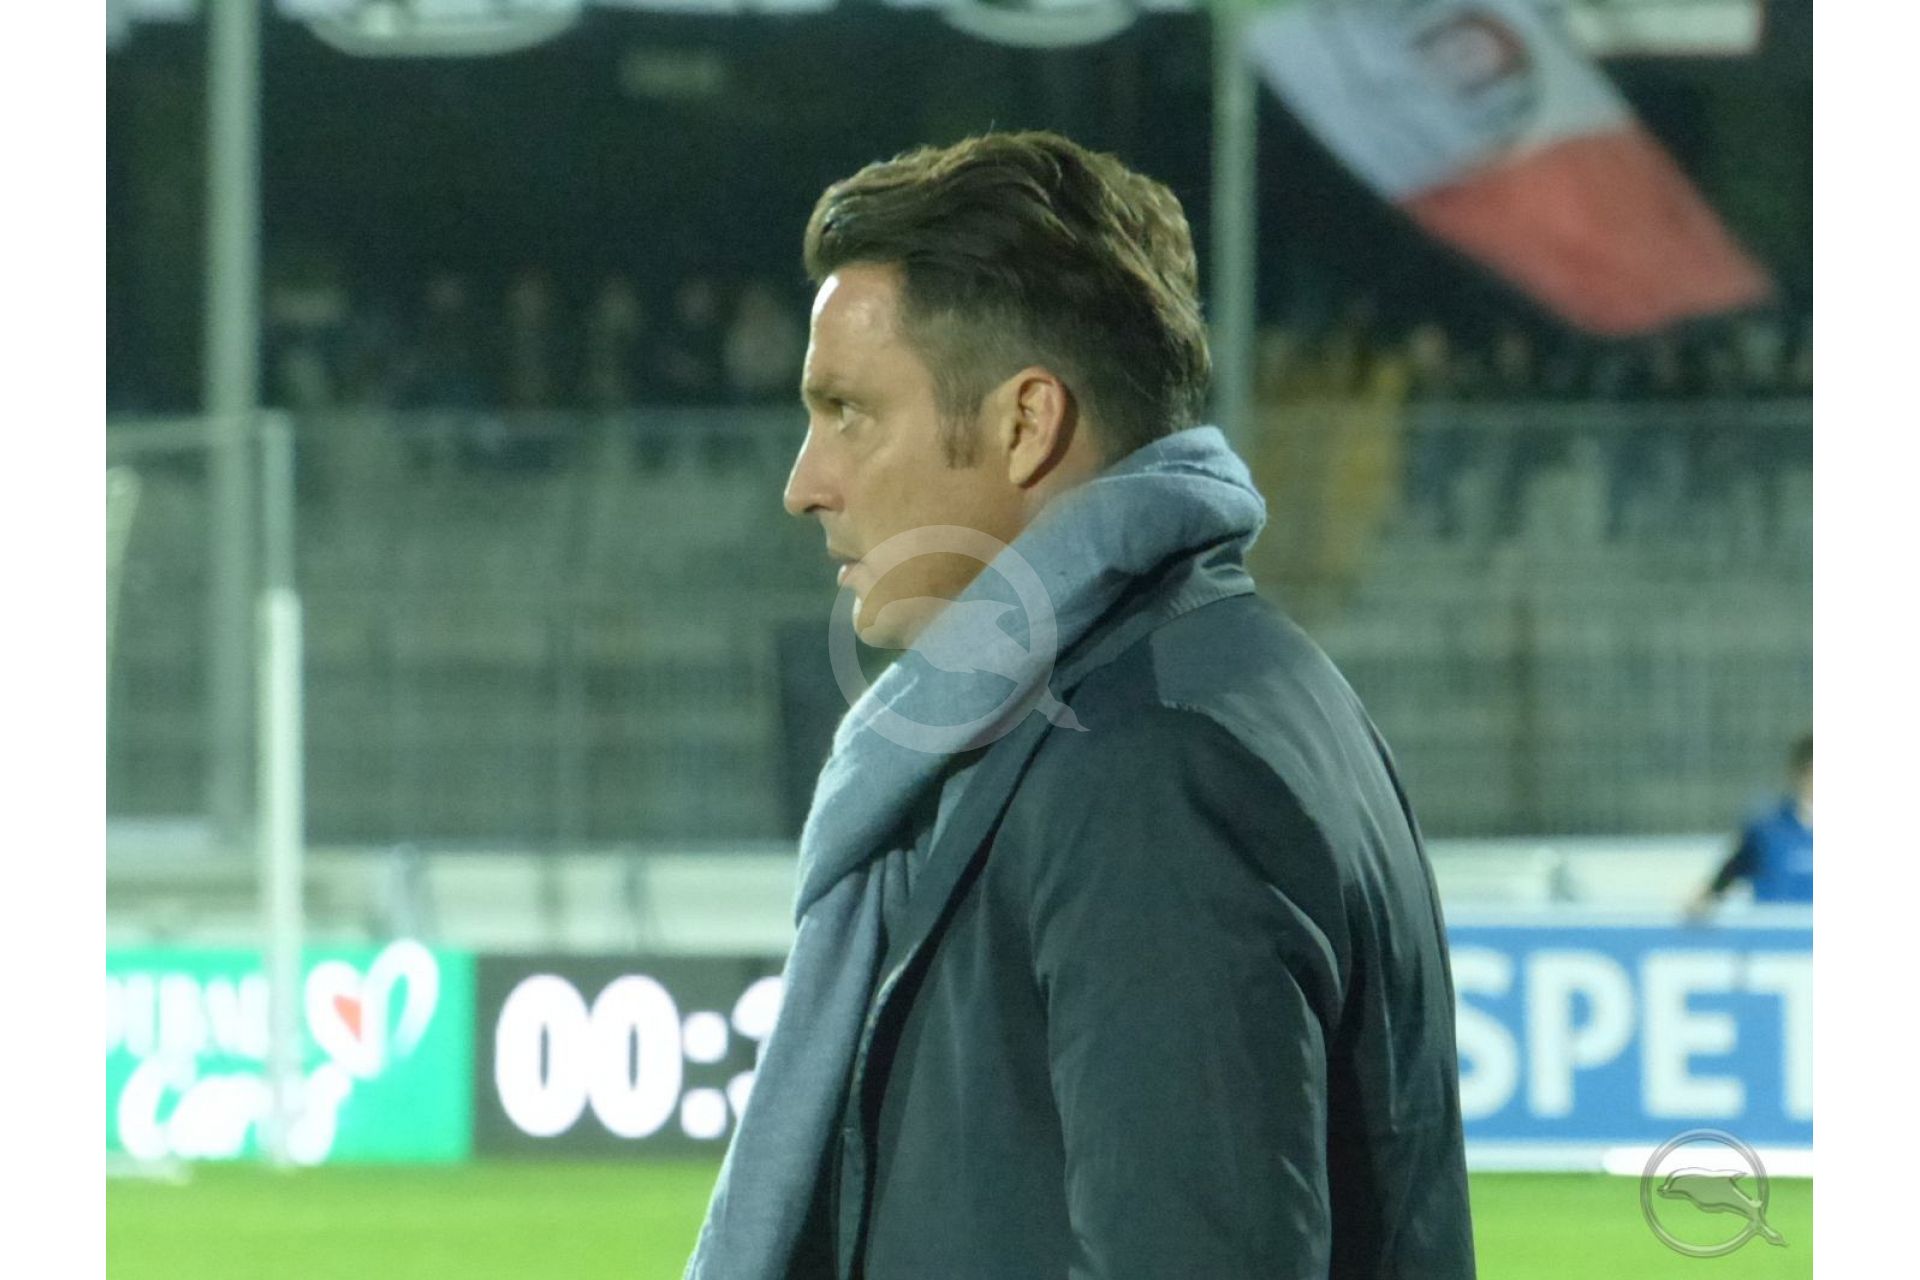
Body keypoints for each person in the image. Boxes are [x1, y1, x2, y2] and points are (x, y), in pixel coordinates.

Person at [686, 132, 1475, 1280]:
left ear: (1025, 423)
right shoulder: (1208, 683)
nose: (804, 483)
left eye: (848, 410)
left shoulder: (1150, 763)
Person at [1688, 733, 1814, 917]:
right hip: (1775, 931)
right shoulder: (1767, 829)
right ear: (1799, 773)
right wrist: (1705, 900)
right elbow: (1733, 869)